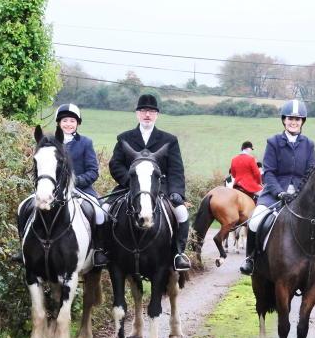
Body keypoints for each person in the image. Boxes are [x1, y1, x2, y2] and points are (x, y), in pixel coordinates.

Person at [12, 103, 109, 267]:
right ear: (59, 123)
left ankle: (98, 251)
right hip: (51, 189)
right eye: (65, 121)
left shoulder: (85, 143)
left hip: (81, 190)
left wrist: (74, 182)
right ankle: (24, 248)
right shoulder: (49, 143)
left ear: (77, 123)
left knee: (100, 213)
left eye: (72, 121)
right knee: (23, 207)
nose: (68, 124)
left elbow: (93, 171)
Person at [108, 93, 191, 271]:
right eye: (144, 111)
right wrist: (130, 182)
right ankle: (104, 251)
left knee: (182, 212)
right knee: (105, 210)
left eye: (151, 112)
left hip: (161, 188)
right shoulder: (124, 138)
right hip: (130, 186)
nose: (147, 115)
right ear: (137, 114)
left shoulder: (169, 140)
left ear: (157, 115)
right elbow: (115, 164)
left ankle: (178, 253)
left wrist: (176, 191)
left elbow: (176, 169)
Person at [240, 99, 315, 275]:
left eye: (297, 119)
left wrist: (300, 193)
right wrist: (280, 192)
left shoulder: (308, 144)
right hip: (274, 194)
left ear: (302, 121)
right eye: (290, 118)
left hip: (301, 195)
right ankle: (250, 259)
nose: (293, 122)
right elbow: (269, 173)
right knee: (256, 219)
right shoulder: (273, 142)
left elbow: (310, 172)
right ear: (284, 120)